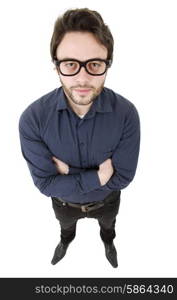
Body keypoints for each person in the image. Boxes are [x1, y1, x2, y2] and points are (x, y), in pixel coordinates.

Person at [19, 8, 140, 268]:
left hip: (107, 202)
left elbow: (123, 178)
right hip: (64, 205)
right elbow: (44, 184)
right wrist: (98, 176)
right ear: (56, 65)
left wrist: (67, 173)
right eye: (71, 64)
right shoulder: (33, 119)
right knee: (65, 227)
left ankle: (108, 243)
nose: (83, 78)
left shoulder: (127, 114)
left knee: (109, 227)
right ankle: (66, 241)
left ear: (108, 64)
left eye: (94, 64)